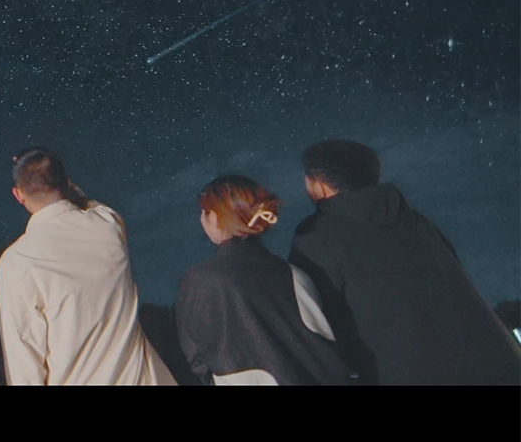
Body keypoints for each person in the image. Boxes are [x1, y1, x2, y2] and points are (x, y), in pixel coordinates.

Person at [288, 139, 521, 385]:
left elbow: (311, 316)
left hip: (410, 373)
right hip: (496, 362)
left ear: (320, 185)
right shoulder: (418, 223)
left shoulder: (317, 236)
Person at [0, 146, 174, 385]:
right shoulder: (109, 225)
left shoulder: (16, 261)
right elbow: (91, 204)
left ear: (18, 195)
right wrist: (71, 192)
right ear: (66, 183)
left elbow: (23, 357)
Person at [175, 175, 350, 385]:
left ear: (214, 218)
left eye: (203, 212)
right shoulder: (294, 273)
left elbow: (196, 357)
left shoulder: (200, 280)